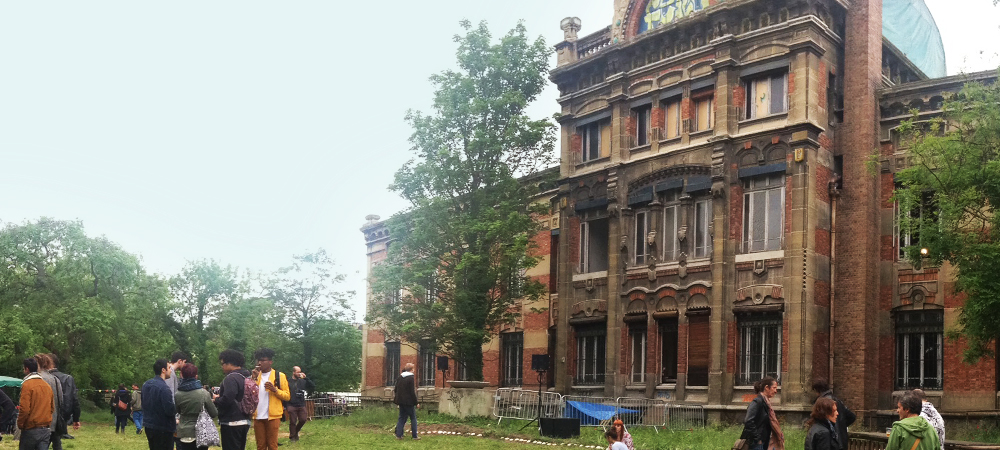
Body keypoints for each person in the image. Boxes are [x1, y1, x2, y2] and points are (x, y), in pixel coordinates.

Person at [251, 348, 289, 450]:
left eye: (263, 360)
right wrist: (253, 379)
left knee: (272, 445)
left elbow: (287, 396)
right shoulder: (255, 375)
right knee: (260, 446)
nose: (260, 363)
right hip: (258, 416)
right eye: (258, 360)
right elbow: (248, 394)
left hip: (273, 416)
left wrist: (274, 390)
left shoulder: (279, 376)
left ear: (270, 362)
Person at [214, 349, 251, 450]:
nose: (222, 367)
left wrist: (216, 400)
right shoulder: (246, 376)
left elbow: (227, 399)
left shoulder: (231, 378)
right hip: (245, 420)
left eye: (223, 364)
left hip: (232, 422)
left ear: (230, 363)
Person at [175, 363, 218, 450]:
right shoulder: (203, 393)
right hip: (202, 432)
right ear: (196, 376)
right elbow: (214, 413)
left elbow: (177, 411)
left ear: (181, 375)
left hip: (184, 433)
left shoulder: (177, 394)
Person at [18, 358, 54, 450]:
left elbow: (25, 409)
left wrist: (20, 424)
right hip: (45, 429)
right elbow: (52, 408)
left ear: (27, 369)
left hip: (31, 428)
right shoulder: (47, 386)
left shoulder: (27, 385)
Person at [142, 359, 178, 450]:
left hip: (149, 426)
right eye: (169, 368)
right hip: (163, 429)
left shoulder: (146, 385)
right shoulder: (164, 388)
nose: (170, 370)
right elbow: (169, 410)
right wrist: (178, 407)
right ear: (163, 370)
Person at [741, 377, 784, 450]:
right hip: (756, 443)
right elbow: (748, 421)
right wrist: (757, 439)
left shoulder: (766, 403)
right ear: (767, 387)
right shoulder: (757, 402)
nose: (776, 391)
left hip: (765, 441)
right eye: (774, 388)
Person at [812, 378, 855, 450]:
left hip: (832, 441)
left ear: (817, 390)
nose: (837, 413)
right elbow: (852, 416)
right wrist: (842, 425)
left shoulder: (822, 403)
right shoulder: (838, 401)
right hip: (841, 441)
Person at [33, 353, 64, 450]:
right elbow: (61, 400)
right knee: (57, 445)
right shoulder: (55, 379)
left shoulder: (35, 379)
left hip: (39, 422)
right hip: (54, 421)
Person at [47, 354, 81, 442]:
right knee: (56, 441)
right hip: (62, 416)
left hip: (46, 416)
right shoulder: (67, 378)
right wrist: (76, 418)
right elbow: (74, 400)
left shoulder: (43, 378)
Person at [285, 366, 315, 443]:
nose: (299, 374)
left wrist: (306, 378)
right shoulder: (288, 381)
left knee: (303, 419)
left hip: (301, 404)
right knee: (293, 421)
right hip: (291, 404)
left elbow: (312, 386)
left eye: (300, 372)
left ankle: (295, 433)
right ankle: (292, 437)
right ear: (294, 372)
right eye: (298, 372)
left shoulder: (303, 381)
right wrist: (285, 405)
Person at [393, 362, 419, 440]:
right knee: (413, 418)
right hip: (409, 402)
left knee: (401, 418)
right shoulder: (411, 378)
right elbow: (412, 392)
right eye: (413, 369)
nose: (414, 370)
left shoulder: (400, 377)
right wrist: (416, 402)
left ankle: (399, 435)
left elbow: (395, 389)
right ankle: (414, 436)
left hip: (400, 401)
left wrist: (398, 399)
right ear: (411, 369)